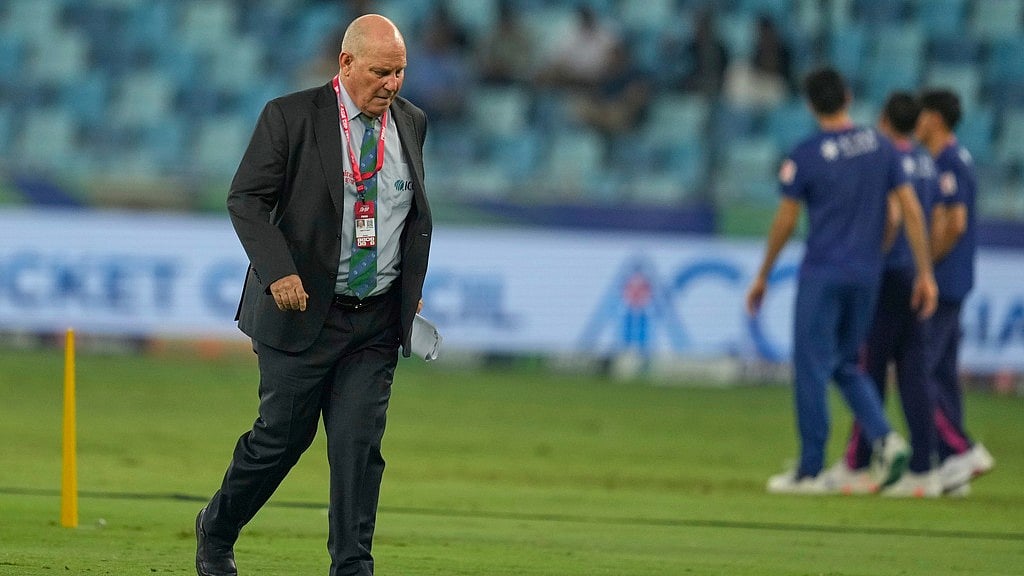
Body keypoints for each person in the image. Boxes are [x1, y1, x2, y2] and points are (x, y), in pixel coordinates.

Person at [195, 14, 432, 576]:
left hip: (374, 320)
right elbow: (246, 198)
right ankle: (218, 526)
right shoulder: (290, 117)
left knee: (357, 448)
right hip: (300, 313)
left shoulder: (413, 123)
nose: (392, 84)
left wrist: (407, 289)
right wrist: (277, 271)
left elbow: (406, 214)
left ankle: (352, 568)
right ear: (346, 64)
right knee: (281, 439)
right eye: (381, 72)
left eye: (399, 72)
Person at [745, 68, 938, 494]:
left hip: (823, 273)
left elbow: (786, 218)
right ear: (848, 97)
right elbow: (904, 211)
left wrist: (762, 275)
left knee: (811, 368)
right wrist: (924, 272)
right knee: (846, 364)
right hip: (867, 275)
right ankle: (886, 437)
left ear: (811, 105)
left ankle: (810, 469)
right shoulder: (881, 147)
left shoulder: (806, 154)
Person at [835, 92, 943, 497]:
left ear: (882, 119)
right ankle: (923, 467)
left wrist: (873, 255)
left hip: (883, 276)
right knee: (914, 373)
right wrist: (924, 269)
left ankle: (859, 461)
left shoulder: (883, 160)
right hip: (913, 274)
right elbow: (930, 220)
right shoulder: (926, 163)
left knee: (867, 370)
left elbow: (896, 216)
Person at [914, 88, 995, 495]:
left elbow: (955, 222)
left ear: (936, 119)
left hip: (943, 283)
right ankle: (952, 470)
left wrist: (924, 266)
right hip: (955, 280)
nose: (918, 120)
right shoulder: (955, 158)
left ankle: (961, 450)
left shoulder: (947, 161)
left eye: (923, 113)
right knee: (943, 373)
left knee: (920, 372)